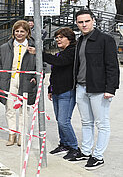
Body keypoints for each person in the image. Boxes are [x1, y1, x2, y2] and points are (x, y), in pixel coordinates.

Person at [68, 9, 120, 170]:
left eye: (87, 21)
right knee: (86, 122)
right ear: (77, 24)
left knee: (102, 123)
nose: (84, 24)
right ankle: (85, 151)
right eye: (80, 22)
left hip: (99, 89)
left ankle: (98, 156)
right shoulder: (80, 41)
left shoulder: (106, 39)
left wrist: (111, 88)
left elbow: (112, 66)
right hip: (82, 87)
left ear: (93, 20)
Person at [28, 27, 79, 159]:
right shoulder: (61, 52)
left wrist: (39, 53)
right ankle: (64, 144)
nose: (58, 40)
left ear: (69, 38)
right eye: (56, 37)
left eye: (61, 37)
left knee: (64, 121)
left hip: (67, 91)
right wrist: (51, 89)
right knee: (59, 120)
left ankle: (74, 147)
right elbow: (55, 73)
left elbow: (59, 63)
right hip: (57, 91)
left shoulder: (72, 51)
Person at [0, 20, 37, 146]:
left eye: (22, 31)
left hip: (26, 80)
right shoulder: (4, 47)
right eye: (17, 31)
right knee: (10, 108)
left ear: (27, 33)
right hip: (9, 80)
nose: (19, 34)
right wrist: (0, 77)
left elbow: (42, 64)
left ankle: (22, 135)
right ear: (13, 32)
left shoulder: (33, 48)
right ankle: (11, 134)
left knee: (24, 109)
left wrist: (35, 77)